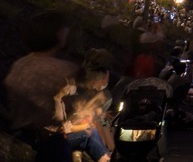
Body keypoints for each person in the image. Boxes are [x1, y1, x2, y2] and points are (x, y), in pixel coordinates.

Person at [3, 10, 78, 162]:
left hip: (16, 136)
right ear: (58, 34)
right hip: (47, 146)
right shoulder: (63, 70)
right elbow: (64, 116)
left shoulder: (20, 64)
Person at [62, 65, 113, 162]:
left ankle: (109, 150)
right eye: (105, 79)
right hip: (85, 125)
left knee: (104, 122)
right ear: (98, 79)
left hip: (95, 122)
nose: (106, 82)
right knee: (97, 125)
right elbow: (77, 116)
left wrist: (101, 112)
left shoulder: (96, 93)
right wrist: (94, 109)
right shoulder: (82, 94)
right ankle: (106, 152)